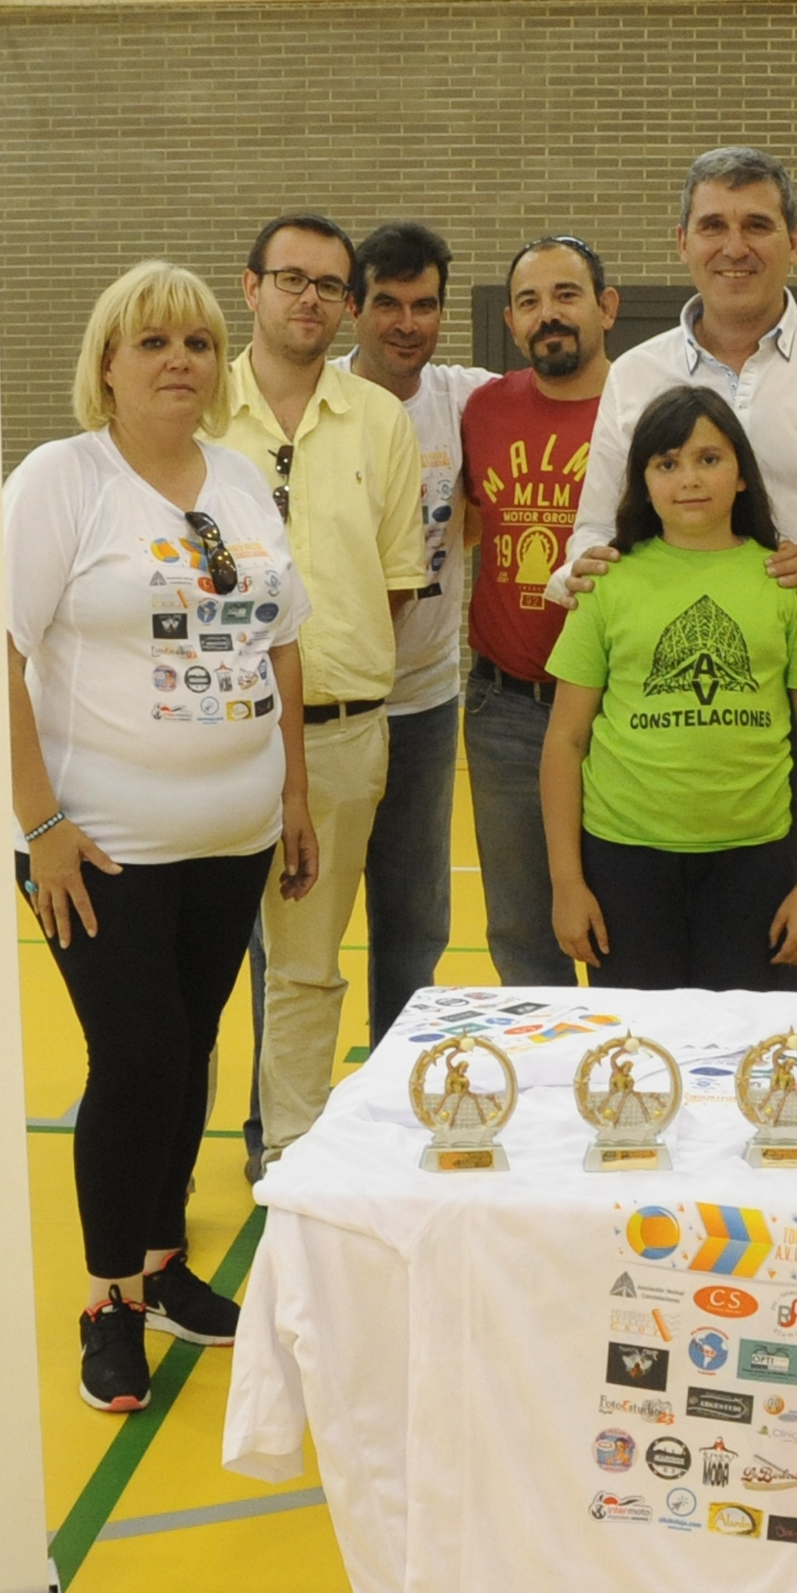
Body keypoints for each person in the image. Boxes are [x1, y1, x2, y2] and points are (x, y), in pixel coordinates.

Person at [5, 260, 322, 1415]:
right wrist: (39, 824)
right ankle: (107, 1302)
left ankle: (160, 1268)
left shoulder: (239, 480)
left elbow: (277, 638)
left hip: (233, 834)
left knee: (186, 1055)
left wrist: (288, 795)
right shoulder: (61, 481)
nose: (179, 361)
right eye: (152, 344)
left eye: (196, 341)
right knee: (133, 1058)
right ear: (107, 364)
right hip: (102, 845)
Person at [553, 147, 797, 992]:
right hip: (658, 712)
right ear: (681, 242)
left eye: (757, 225)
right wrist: (593, 577)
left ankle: (782, 1117)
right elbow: (592, 526)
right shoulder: (637, 374)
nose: (735, 246)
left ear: (794, 240)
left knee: (796, 946)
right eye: (714, 225)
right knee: (651, 968)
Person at [211, 214, 424, 1179]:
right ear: (250, 287)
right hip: (198, 737)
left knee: (304, 965)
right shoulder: (195, 406)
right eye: (290, 278)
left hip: (340, 739)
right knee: (187, 976)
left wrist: (318, 676)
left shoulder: (380, 419)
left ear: (348, 305)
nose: (309, 298)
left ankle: (289, 1158)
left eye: (329, 286)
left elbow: (393, 581)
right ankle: (163, 1174)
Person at [540, 386, 797, 990]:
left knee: (745, 1056)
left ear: (741, 476)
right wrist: (568, 884)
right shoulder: (607, 583)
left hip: (754, 859)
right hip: (624, 858)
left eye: (709, 459)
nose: (689, 478)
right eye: (667, 462)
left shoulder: (786, 583)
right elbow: (565, 742)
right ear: (642, 481)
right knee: (641, 1054)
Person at [336, 222, 493, 1042]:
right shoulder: (314, 400)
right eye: (388, 304)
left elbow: (585, 399)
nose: (407, 323)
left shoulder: (468, 399)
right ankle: (279, 1119)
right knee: (295, 930)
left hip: (426, 703)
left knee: (415, 919)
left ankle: (395, 1108)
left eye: (425, 305)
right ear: (353, 308)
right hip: (319, 708)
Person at [459, 235, 620, 988]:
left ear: (606, 307)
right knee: (525, 935)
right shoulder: (483, 409)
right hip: (509, 710)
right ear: (511, 320)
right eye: (530, 301)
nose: (548, 314)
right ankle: (547, 1098)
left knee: (630, 923)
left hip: (626, 710)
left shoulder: (646, 407)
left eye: (566, 295)